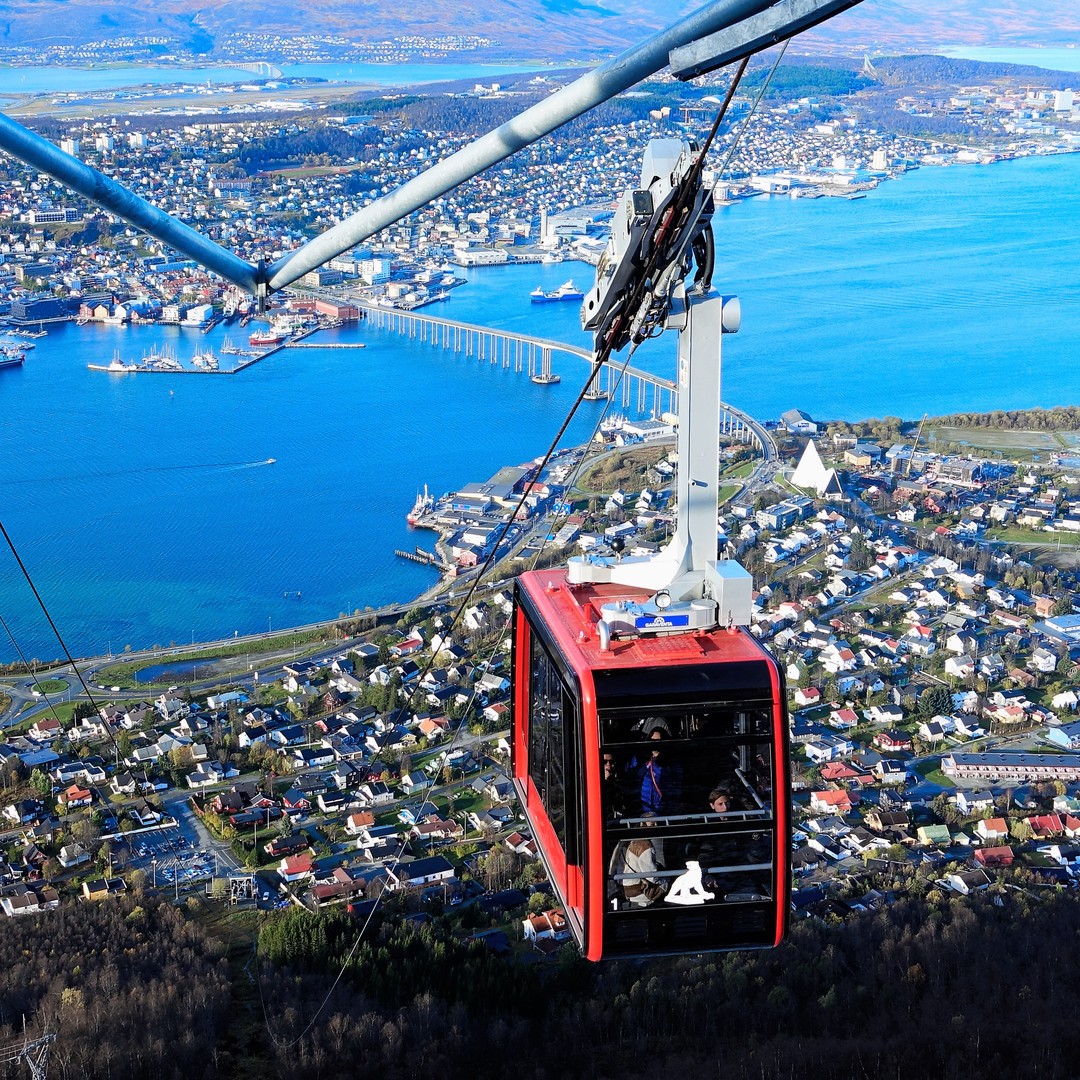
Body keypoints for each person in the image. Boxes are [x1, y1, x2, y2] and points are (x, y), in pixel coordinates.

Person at [634, 724, 682, 817]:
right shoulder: (642, 760)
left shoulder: (671, 763)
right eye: (652, 740)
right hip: (644, 808)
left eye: (658, 741)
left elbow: (674, 787)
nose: (655, 743)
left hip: (662, 810)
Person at [613, 834, 666, 907]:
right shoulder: (644, 845)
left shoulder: (624, 842)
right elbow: (652, 877)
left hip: (625, 891)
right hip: (641, 893)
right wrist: (667, 879)